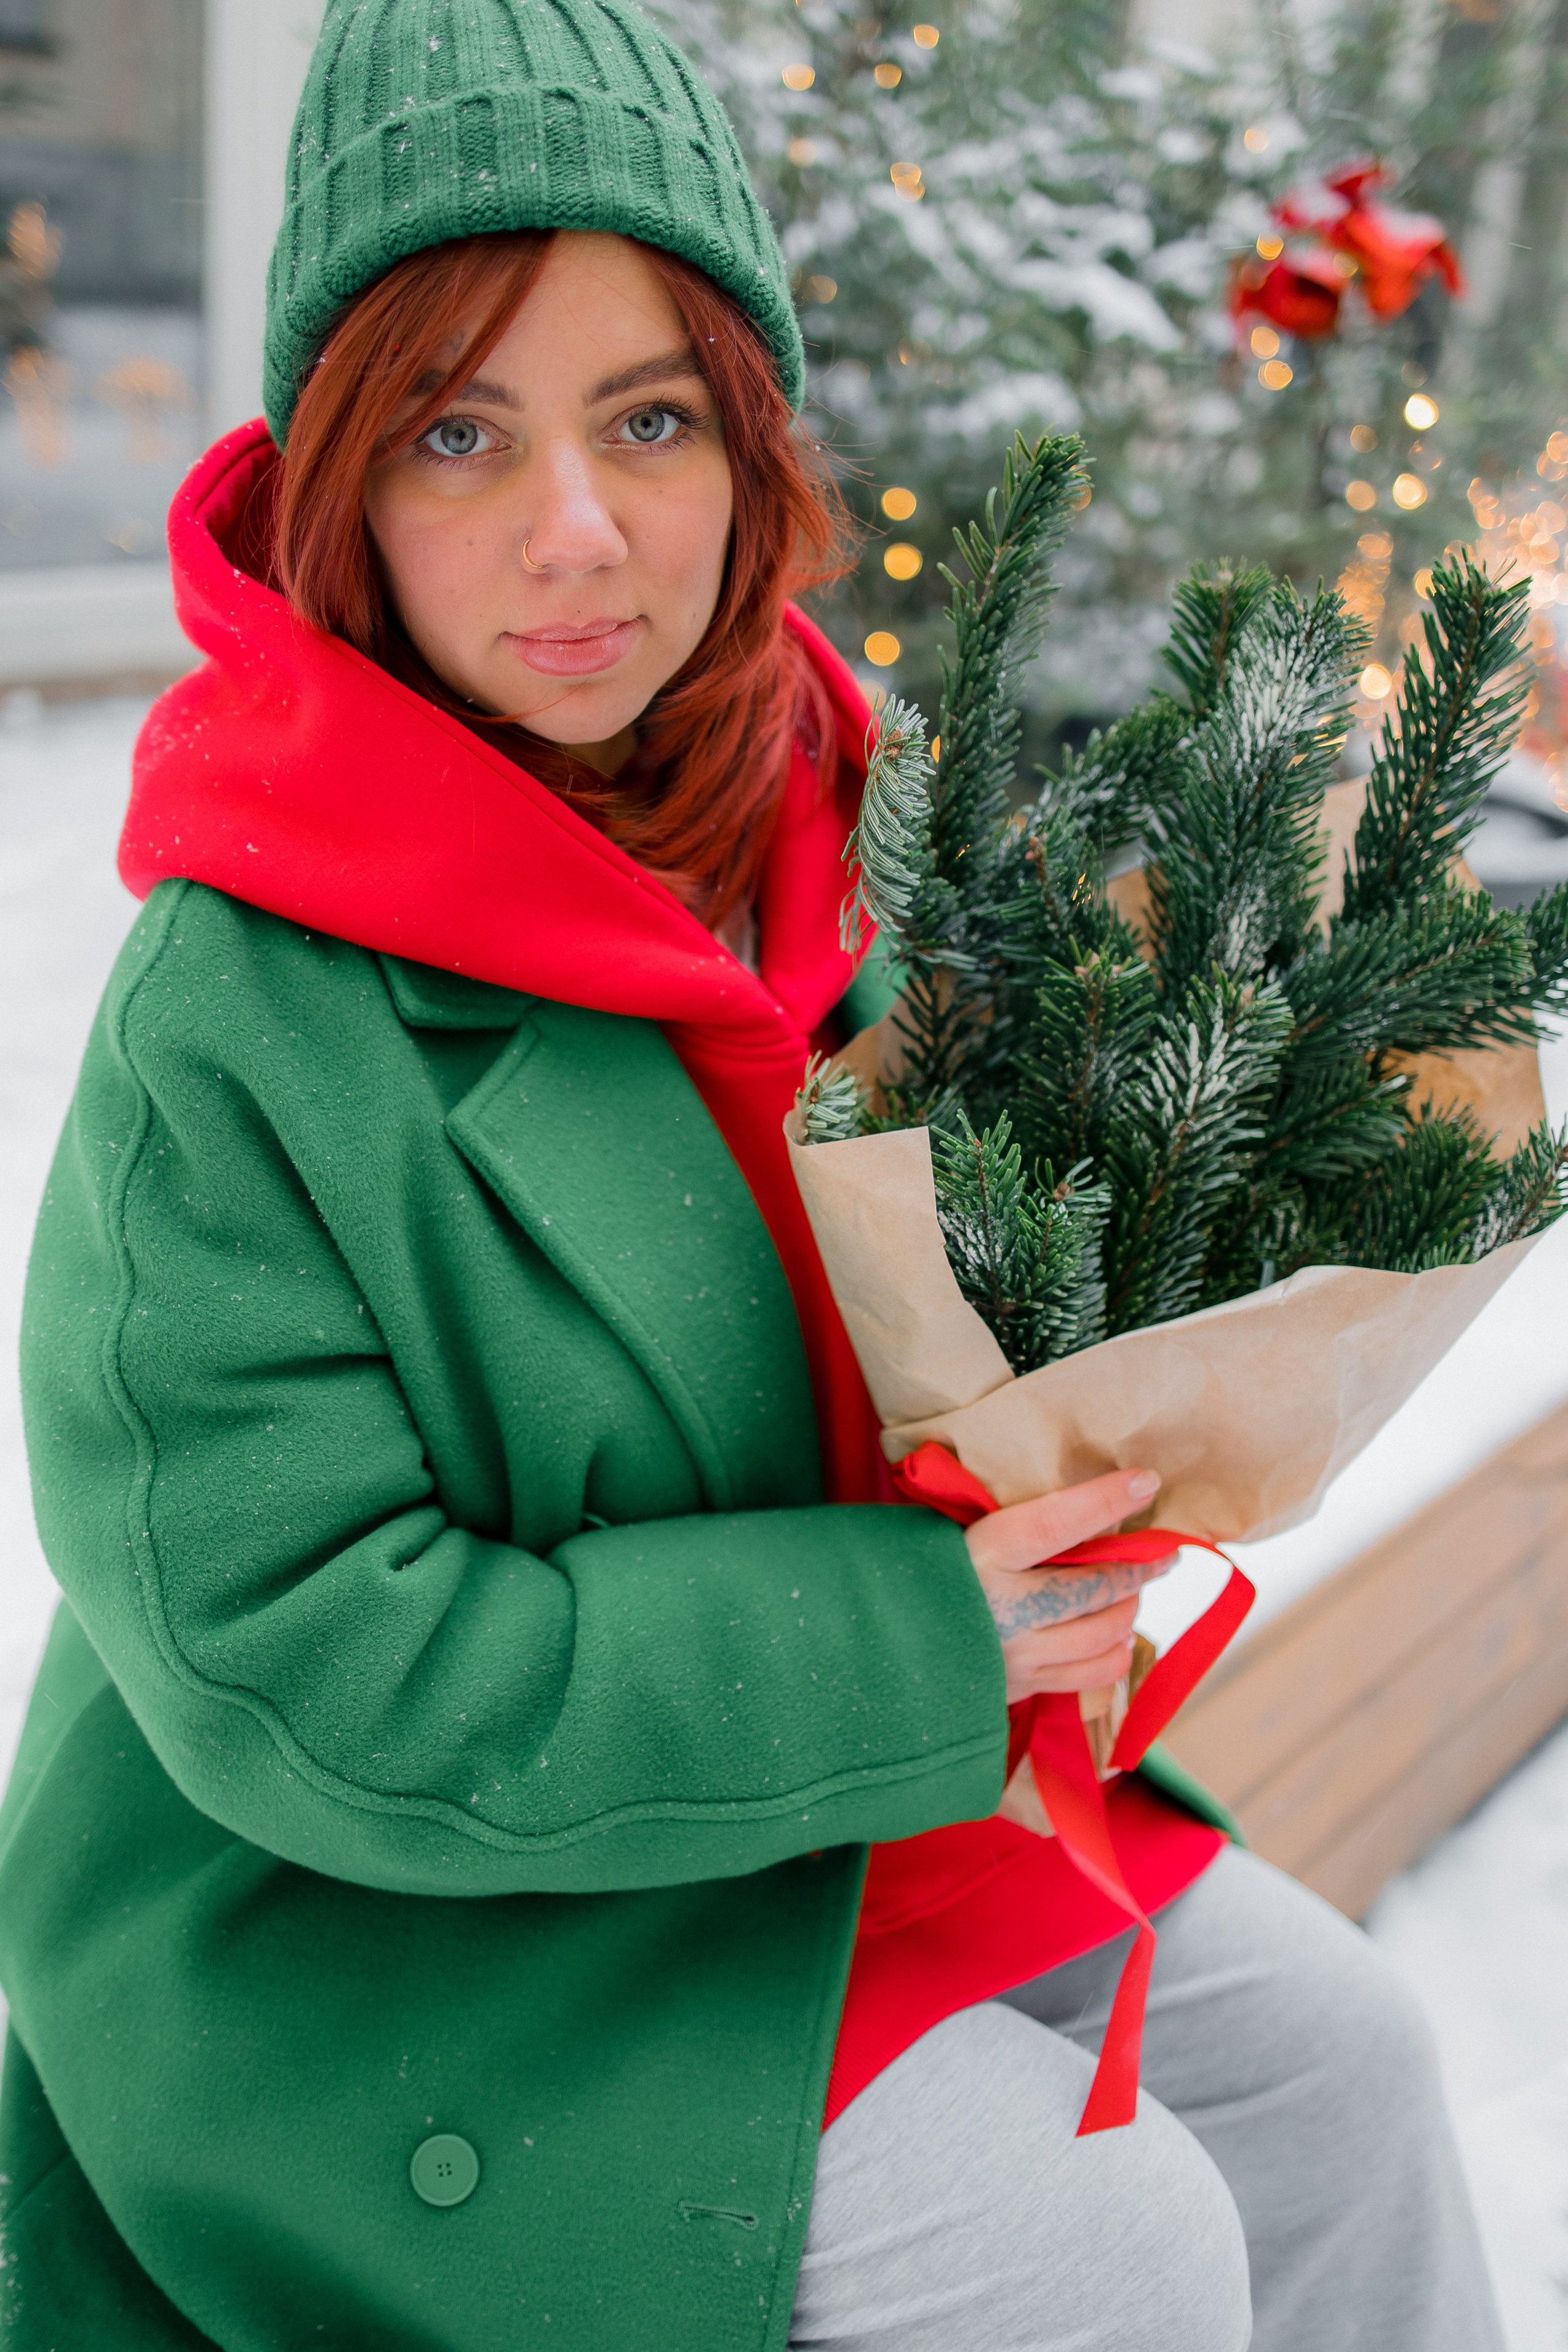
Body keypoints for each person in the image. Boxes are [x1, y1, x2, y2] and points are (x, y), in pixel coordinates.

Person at [0, 4, 1502, 2346]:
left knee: (1345, 2074)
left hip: (812, 1810)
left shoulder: (847, 822)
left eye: (650, 418)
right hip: (392, 1931)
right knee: (1106, 2254)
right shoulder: (241, 1009)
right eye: (459, 430)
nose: (578, 534)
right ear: (338, 484)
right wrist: (913, 1636)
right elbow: (298, 1662)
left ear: (746, 439)